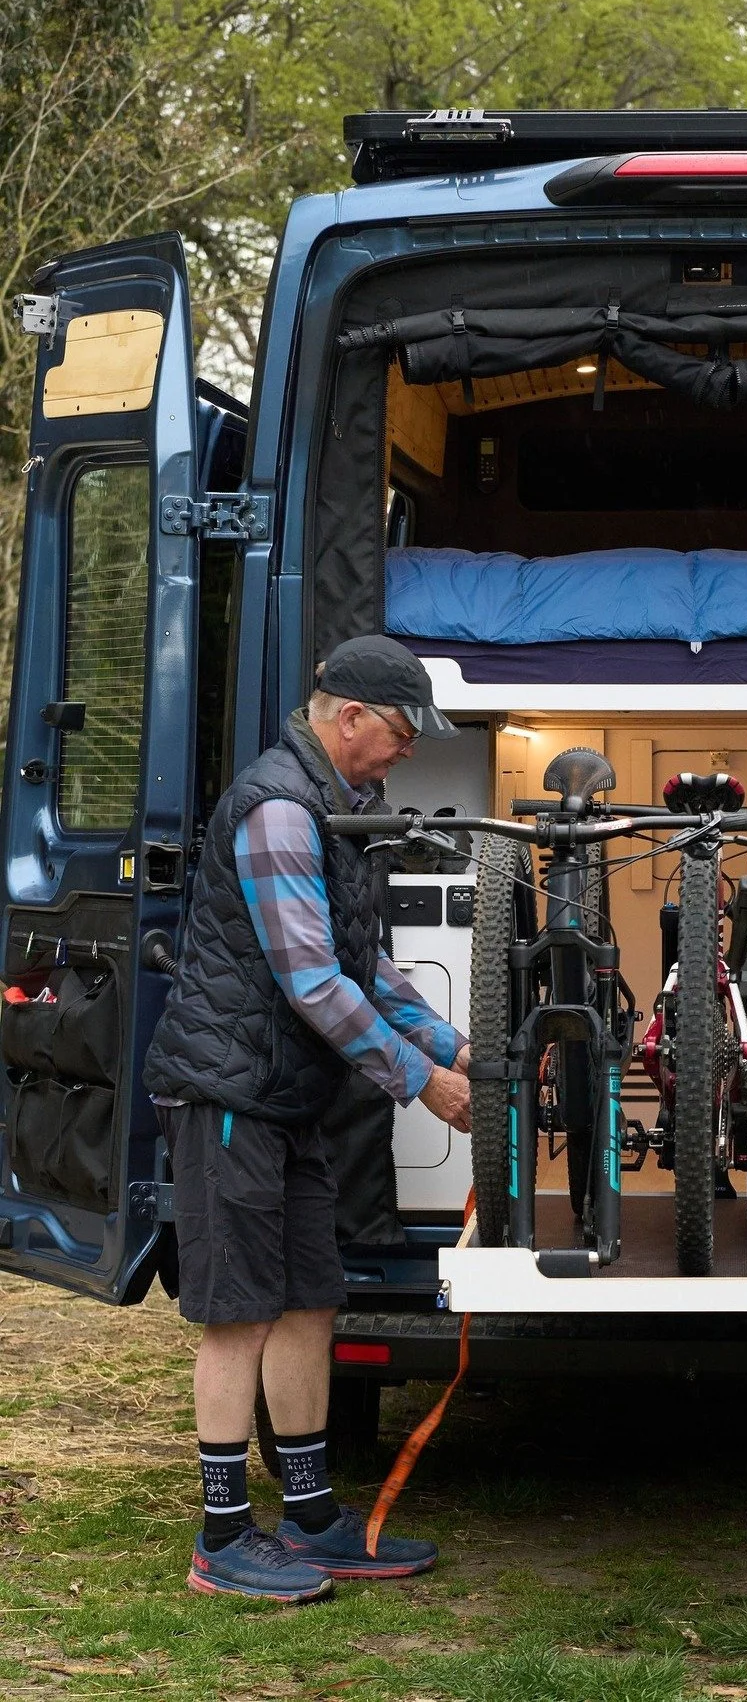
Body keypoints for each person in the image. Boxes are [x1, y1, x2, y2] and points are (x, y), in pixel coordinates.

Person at [144, 636, 473, 1603]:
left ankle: (313, 1516)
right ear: (351, 717)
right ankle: (220, 1539)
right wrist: (419, 1080)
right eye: (403, 733)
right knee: (238, 1312)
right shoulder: (280, 809)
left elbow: (364, 964)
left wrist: (453, 1046)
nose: (407, 751)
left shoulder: (336, 806)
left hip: (287, 1100)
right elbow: (313, 981)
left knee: (309, 1302)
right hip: (231, 1097)